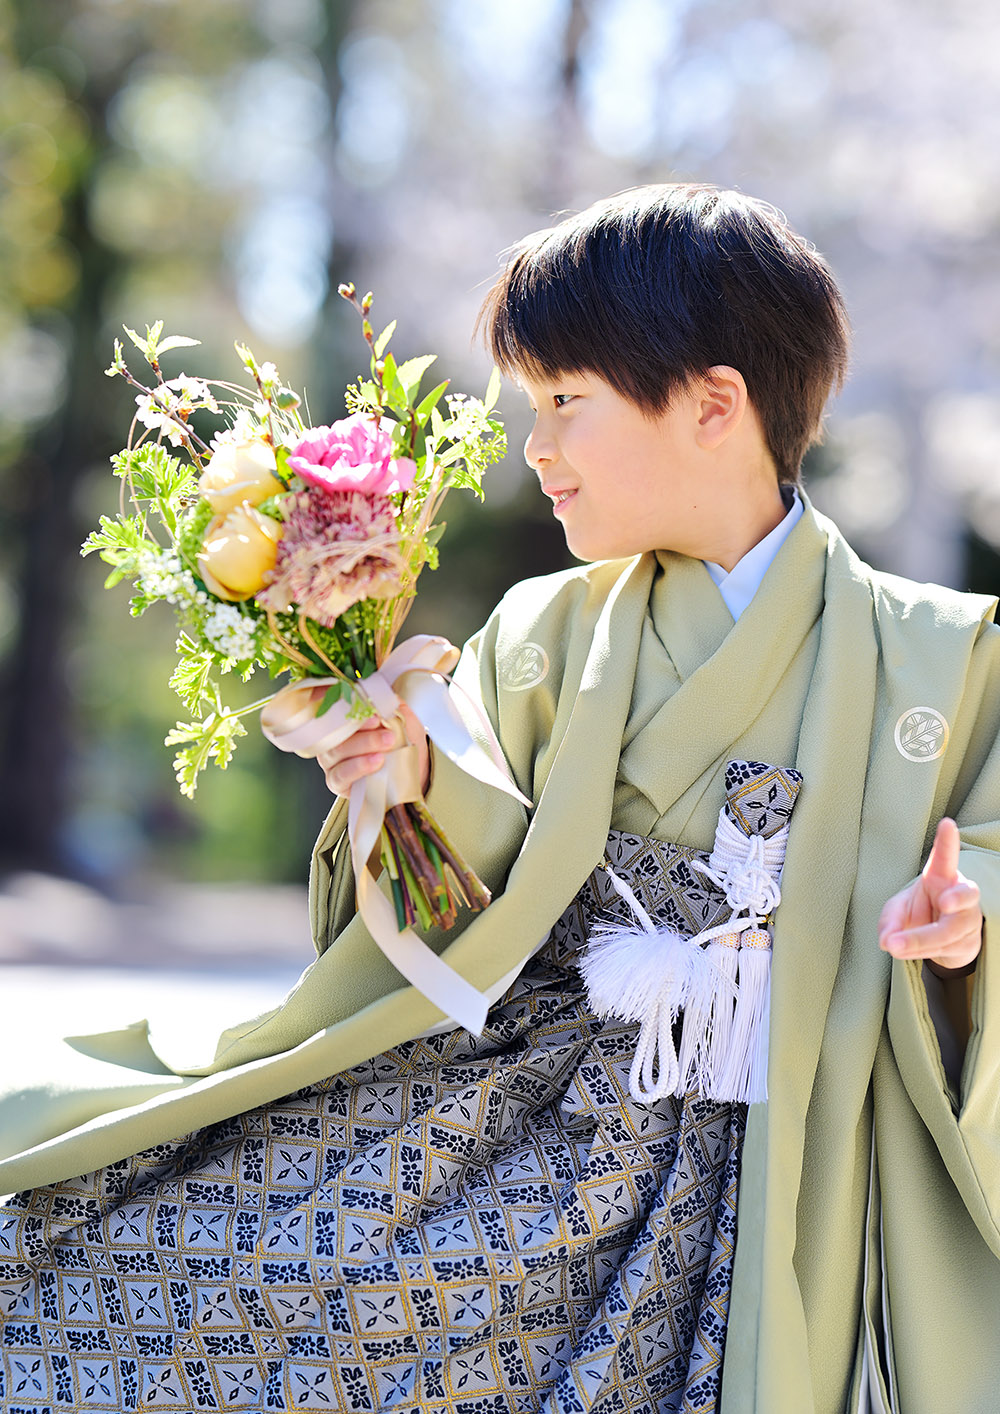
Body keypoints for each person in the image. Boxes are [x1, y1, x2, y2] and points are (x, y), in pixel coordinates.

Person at [0, 184, 997, 1414]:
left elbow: (986, 855)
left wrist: (964, 929)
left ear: (715, 405)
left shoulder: (946, 658)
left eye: (565, 400)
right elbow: (479, 874)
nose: (537, 446)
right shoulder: (543, 630)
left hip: (783, 1142)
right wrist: (407, 791)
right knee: (231, 1273)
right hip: (526, 1117)